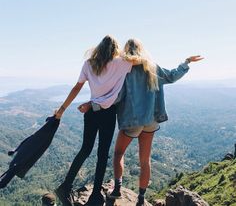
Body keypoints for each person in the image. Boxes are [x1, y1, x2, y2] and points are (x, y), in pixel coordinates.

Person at [106, 39, 203, 206]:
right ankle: (141, 199)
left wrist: (98, 103)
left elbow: (118, 96)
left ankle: (117, 190)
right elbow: (173, 76)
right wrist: (186, 62)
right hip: (151, 120)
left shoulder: (125, 70)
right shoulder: (153, 67)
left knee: (118, 154)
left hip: (132, 120)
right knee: (145, 160)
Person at [54, 35, 139, 206]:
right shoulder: (121, 63)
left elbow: (77, 87)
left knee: (85, 149)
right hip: (108, 114)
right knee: (102, 154)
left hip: (91, 112)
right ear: (116, 49)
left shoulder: (89, 63)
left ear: (98, 48)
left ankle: (65, 186)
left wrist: (62, 109)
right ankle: (95, 196)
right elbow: (141, 60)